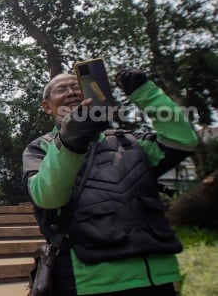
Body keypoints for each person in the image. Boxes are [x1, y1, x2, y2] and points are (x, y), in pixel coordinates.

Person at [22, 68, 198, 296]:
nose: (71, 92)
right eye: (61, 89)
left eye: (77, 87)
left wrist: (146, 92)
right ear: (47, 106)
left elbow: (182, 140)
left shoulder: (130, 141)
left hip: (158, 276)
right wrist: (69, 143)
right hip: (90, 282)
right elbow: (46, 196)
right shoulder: (40, 148)